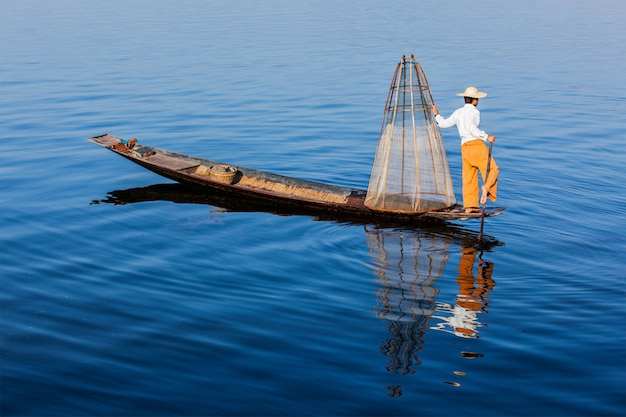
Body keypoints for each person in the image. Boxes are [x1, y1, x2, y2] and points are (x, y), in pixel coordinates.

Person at [433, 86, 498, 213]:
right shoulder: (474, 112)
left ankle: (470, 206)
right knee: (493, 169)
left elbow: (442, 124)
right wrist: (486, 137)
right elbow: (472, 129)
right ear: (474, 100)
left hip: (465, 148)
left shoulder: (458, 112)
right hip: (476, 145)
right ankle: (486, 188)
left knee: (469, 177)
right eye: (477, 99)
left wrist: (437, 114)